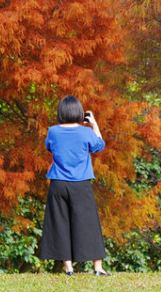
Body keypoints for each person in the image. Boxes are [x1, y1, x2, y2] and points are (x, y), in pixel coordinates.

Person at [39, 95, 110, 276]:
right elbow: (99, 146)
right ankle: (98, 268)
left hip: (58, 184)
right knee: (89, 223)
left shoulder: (53, 131)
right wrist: (94, 125)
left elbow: (49, 147)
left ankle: (68, 268)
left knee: (60, 223)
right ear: (79, 112)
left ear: (61, 112)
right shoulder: (86, 132)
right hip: (81, 184)